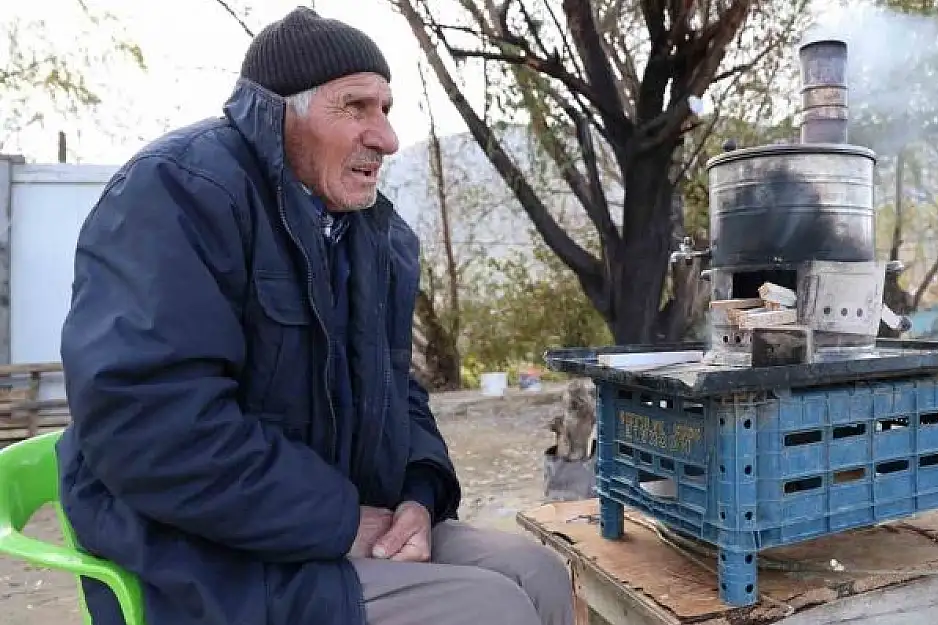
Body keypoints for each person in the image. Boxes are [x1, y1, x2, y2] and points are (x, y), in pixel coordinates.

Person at [55, 6, 574, 625]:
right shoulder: (175, 193)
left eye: (386, 109)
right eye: (356, 107)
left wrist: (418, 495)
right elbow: (149, 424)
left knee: (541, 574)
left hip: (325, 524)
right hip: (201, 555)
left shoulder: (369, 232)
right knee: (489, 609)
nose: (385, 137)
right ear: (283, 112)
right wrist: (335, 521)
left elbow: (397, 392)